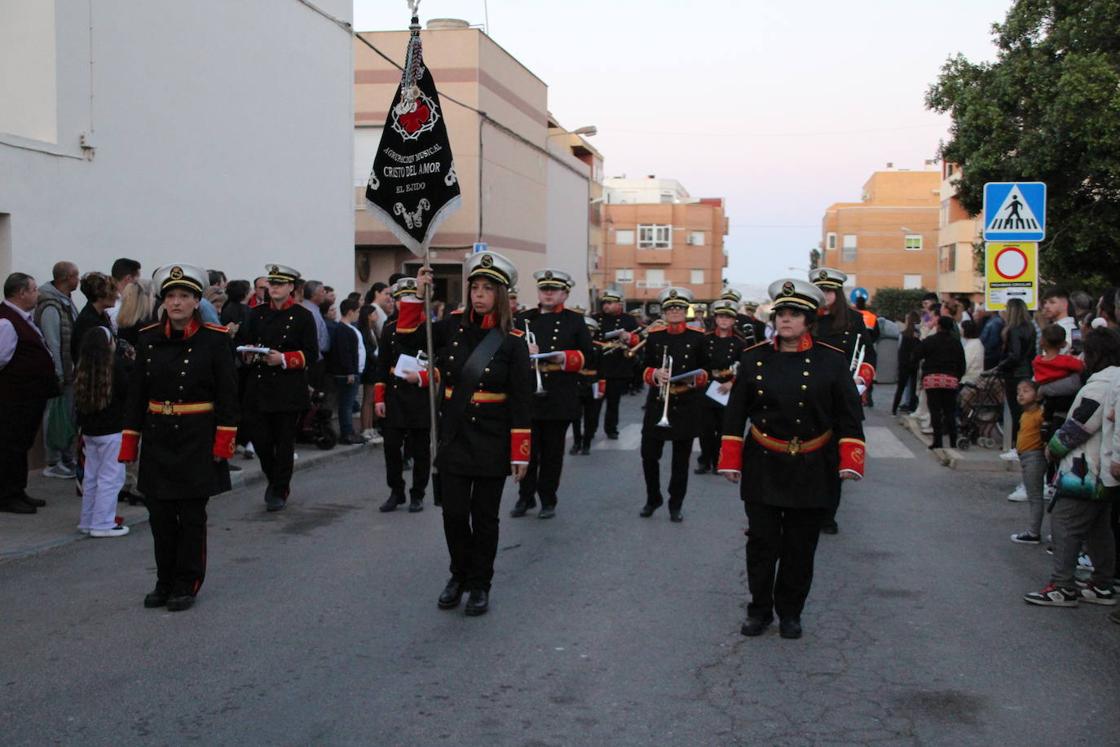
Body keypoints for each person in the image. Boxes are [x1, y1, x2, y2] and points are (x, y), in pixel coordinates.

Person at [718, 278, 865, 639]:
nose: (786, 320)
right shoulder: (753, 359)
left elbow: (848, 415)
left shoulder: (831, 360)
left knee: (800, 547)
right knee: (762, 543)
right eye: (781, 313)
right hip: (764, 463)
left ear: (809, 319)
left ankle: (790, 612)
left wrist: (851, 459)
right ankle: (759, 609)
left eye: (794, 314)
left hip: (813, 465)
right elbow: (736, 413)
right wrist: (731, 459)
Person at [404, 252, 532, 617]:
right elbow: (408, 340)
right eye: (474, 287)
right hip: (455, 436)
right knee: (454, 515)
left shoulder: (512, 339)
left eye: (486, 289)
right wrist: (418, 296)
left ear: (501, 294)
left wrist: (520, 451)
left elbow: (522, 400)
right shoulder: (451, 327)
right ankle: (457, 576)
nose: (478, 295)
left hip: (492, 439)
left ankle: (480, 584)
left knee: (485, 518)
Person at [118, 264, 239, 612]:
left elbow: (228, 397)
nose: (176, 302)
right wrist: (130, 440)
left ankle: (187, 581)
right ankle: (164, 580)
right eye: (170, 296)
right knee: (159, 515)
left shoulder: (214, 340)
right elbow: (137, 395)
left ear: (196, 301)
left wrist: (224, 442)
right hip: (158, 438)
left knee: (190, 516)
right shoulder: (148, 338)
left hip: (197, 439)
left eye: (184, 296)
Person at [1024, 328, 1119, 607]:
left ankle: (1062, 586)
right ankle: (1102, 584)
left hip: (1084, 470)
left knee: (1065, 522)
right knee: (1098, 529)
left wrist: (1053, 448)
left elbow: (1080, 425)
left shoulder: (1100, 384)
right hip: (1103, 472)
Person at [511, 269, 592, 519]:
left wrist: (565, 357)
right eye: (543, 289)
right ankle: (525, 497)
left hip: (558, 393)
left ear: (564, 294)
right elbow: (505, 353)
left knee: (552, 453)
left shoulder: (574, 321)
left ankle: (548, 499)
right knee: (527, 450)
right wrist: (522, 350)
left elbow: (590, 355)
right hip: (528, 393)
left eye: (553, 290)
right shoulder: (523, 318)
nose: (547, 293)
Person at [241, 264, 319, 512]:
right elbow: (246, 342)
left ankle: (280, 487)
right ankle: (273, 477)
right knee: (261, 439)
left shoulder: (303, 316)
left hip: (287, 387)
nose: (273, 288)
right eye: (271, 284)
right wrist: (249, 354)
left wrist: (284, 359)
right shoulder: (256, 313)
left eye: (279, 284)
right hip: (259, 384)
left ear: (291, 288)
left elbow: (311, 353)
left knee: (284, 441)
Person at [809, 267, 874, 534]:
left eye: (829, 291)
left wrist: (862, 379)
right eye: (820, 291)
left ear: (837, 293)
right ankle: (809, 508)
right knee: (811, 458)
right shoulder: (808, 318)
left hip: (843, 395)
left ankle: (828, 514)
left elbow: (868, 354)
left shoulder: (854, 320)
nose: (825, 296)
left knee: (835, 459)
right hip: (812, 395)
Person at [638, 287, 710, 522]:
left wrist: (694, 378)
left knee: (680, 460)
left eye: (679, 308)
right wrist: (654, 373)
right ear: (665, 312)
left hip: (686, 402)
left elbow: (706, 371)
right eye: (670, 308)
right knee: (649, 455)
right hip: (659, 401)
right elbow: (643, 367)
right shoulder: (656, 336)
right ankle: (652, 497)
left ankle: (675, 503)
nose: (675, 312)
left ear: (685, 310)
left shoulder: (698, 337)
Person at [0, 273, 62, 513]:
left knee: (21, 444)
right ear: (21, 293)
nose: (38, 293)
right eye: (34, 289)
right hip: (14, 397)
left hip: (28, 396)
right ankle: (7, 495)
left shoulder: (21, 318)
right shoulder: (6, 322)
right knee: (11, 445)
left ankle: (18, 490)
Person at [373, 277, 433, 513]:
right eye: (400, 299)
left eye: (409, 297)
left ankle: (418, 493)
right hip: (395, 394)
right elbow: (382, 365)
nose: (403, 303)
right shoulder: (389, 328)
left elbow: (439, 366)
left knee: (420, 450)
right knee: (391, 447)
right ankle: (396, 491)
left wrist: (423, 377)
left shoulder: (428, 327)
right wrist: (379, 398)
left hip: (419, 394)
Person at [74, 327, 130, 537]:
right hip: (112, 431)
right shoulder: (114, 367)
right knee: (111, 477)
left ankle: (88, 520)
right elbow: (127, 392)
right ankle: (103, 523)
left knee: (91, 477)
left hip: (90, 432)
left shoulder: (83, 368)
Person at [35, 261, 80, 479]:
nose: (78, 280)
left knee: (68, 415)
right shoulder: (51, 304)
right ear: (65, 278)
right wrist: (60, 372)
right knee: (55, 415)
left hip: (69, 369)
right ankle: (53, 461)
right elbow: (53, 340)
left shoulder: (65, 301)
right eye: (75, 276)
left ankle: (66, 457)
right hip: (60, 372)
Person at [696, 300, 747, 474]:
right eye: (721, 317)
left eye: (728, 317)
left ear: (734, 320)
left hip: (728, 390)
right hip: (708, 388)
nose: (724, 320)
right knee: (705, 428)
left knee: (723, 428)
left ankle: (719, 460)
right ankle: (705, 460)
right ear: (715, 318)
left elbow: (745, 369)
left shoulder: (740, 342)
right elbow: (698, 364)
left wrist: (731, 383)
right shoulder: (705, 339)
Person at [912, 316, 966, 449]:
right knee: (949, 411)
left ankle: (938, 441)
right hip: (950, 379)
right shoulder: (956, 342)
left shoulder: (930, 341)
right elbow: (962, 364)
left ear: (939, 326)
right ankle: (953, 441)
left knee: (935, 411)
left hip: (932, 379)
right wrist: (956, 378)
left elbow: (915, 355)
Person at [592, 290, 639, 439]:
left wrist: (628, 338)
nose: (606, 306)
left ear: (619, 304)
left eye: (610, 303)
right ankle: (590, 430)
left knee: (613, 402)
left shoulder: (628, 320)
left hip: (617, 366)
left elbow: (637, 339)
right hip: (598, 366)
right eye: (604, 303)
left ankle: (611, 429)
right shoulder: (596, 318)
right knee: (595, 402)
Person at [1009, 380, 1047, 544]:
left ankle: (1033, 532)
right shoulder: (1025, 414)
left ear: (1037, 395)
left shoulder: (1040, 414)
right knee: (1033, 495)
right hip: (1025, 457)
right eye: (1019, 391)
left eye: (1026, 391)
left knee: (1035, 496)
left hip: (1034, 457)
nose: (1021, 394)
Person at [997, 298, 1037, 443]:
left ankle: (1016, 445)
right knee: (1025, 412)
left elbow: (1015, 355)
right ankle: (1025, 443)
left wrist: (1000, 366)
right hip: (1027, 372)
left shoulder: (1014, 329)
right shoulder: (1031, 327)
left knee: (1016, 412)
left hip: (1014, 374)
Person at [328, 298, 366, 445]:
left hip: (351, 372)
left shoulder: (347, 328)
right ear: (350, 312)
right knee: (347, 404)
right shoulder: (342, 330)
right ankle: (347, 433)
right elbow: (345, 353)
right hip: (346, 374)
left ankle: (349, 431)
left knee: (348, 404)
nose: (358, 315)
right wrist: (350, 371)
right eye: (357, 311)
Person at [570, 315, 605, 456]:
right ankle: (577, 442)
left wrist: (601, 386)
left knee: (591, 417)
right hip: (577, 383)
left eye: (590, 331)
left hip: (592, 383)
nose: (588, 334)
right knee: (575, 416)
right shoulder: (573, 347)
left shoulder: (598, 348)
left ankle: (587, 443)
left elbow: (602, 370)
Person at [72, 272, 117, 365]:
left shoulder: (100, 316)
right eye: (112, 291)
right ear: (100, 295)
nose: (117, 296)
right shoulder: (89, 322)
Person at [891, 311, 921, 415]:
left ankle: (894, 409)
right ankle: (911, 408)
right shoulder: (918, 335)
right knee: (913, 387)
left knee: (900, 387)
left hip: (904, 364)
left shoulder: (903, 334)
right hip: (914, 364)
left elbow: (899, 349)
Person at [105, 258, 141, 331]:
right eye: (137, 278)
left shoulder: (107, 301)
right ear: (128, 278)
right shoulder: (113, 307)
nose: (139, 283)